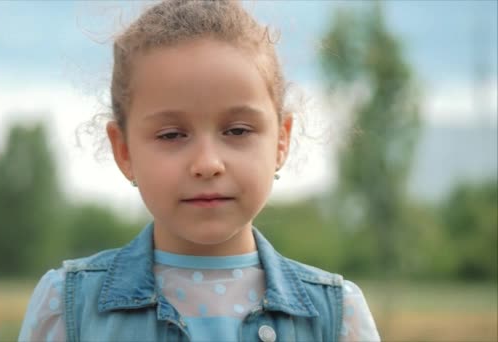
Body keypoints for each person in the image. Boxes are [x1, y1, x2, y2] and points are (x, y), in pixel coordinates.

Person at [19, 1, 380, 341]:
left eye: (237, 131)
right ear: (124, 149)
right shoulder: (68, 308)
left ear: (281, 142)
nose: (207, 163)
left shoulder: (336, 317)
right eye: (172, 134)